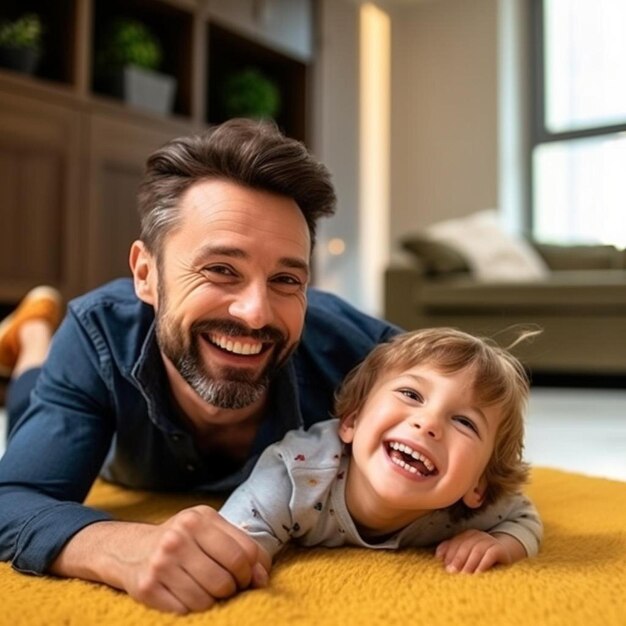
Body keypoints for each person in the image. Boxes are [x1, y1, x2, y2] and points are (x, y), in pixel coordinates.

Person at [0, 118, 401, 614]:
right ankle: (33, 337)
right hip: (109, 439)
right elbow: (14, 496)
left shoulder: (363, 353)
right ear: (146, 275)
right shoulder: (97, 334)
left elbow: (481, 397)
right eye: (220, 270)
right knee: (26, 408)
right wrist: (115, 545)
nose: (256, 313)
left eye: (285, 279)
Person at [219, 327, 543, 582]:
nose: (428, 423)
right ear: (352, 421)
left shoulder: (469, 508)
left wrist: (503, 543)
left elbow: (524, 517)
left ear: (478, 486)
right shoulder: (293, 475)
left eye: (464, 422)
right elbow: (231, 544)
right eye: (411, 394)